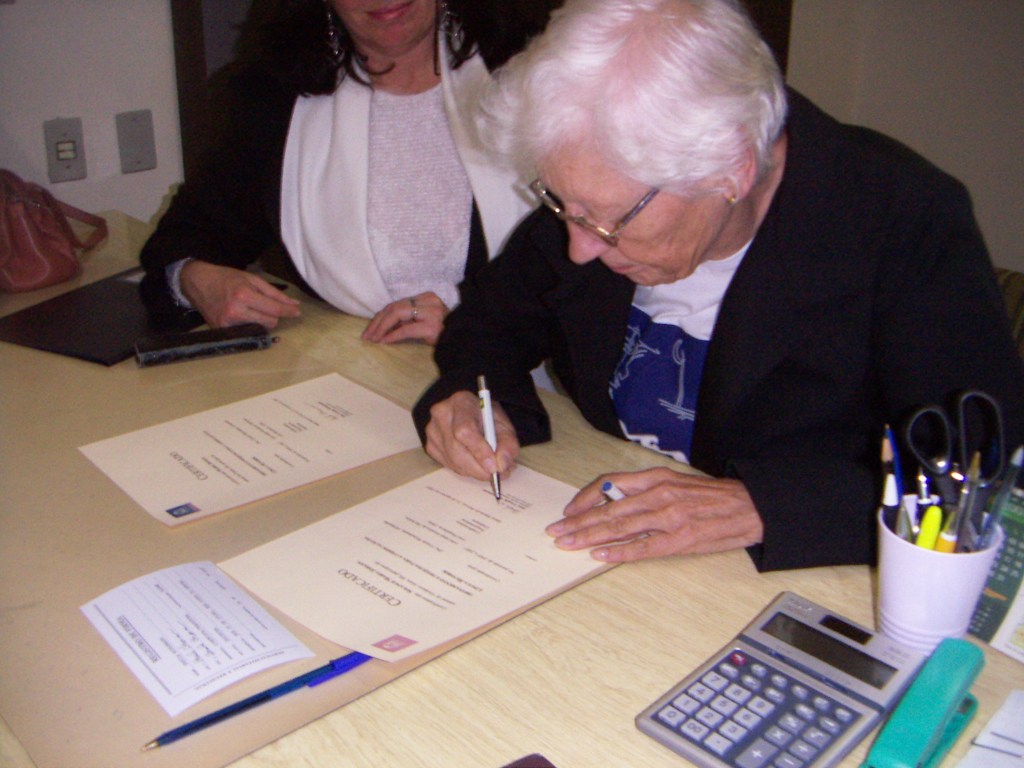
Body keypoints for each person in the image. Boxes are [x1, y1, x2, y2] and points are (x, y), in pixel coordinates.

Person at [413, 0, 1024, 571]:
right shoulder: (597, 189)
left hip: (793, 584)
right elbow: (490, 320)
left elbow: (979, 473)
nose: (579, 247)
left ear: (733, 169)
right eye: (562, 205)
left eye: (608, 222)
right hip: (600, 554)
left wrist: (762, 506)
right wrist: (470, 396)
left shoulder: (904, 222)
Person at [140, 0, 560, 345]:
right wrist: (199, 281)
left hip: (515, 375)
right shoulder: (273, 97)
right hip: (352, 374)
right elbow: (188, 235)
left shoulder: (541, 69)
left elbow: (583, 256)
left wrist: (471, 314)